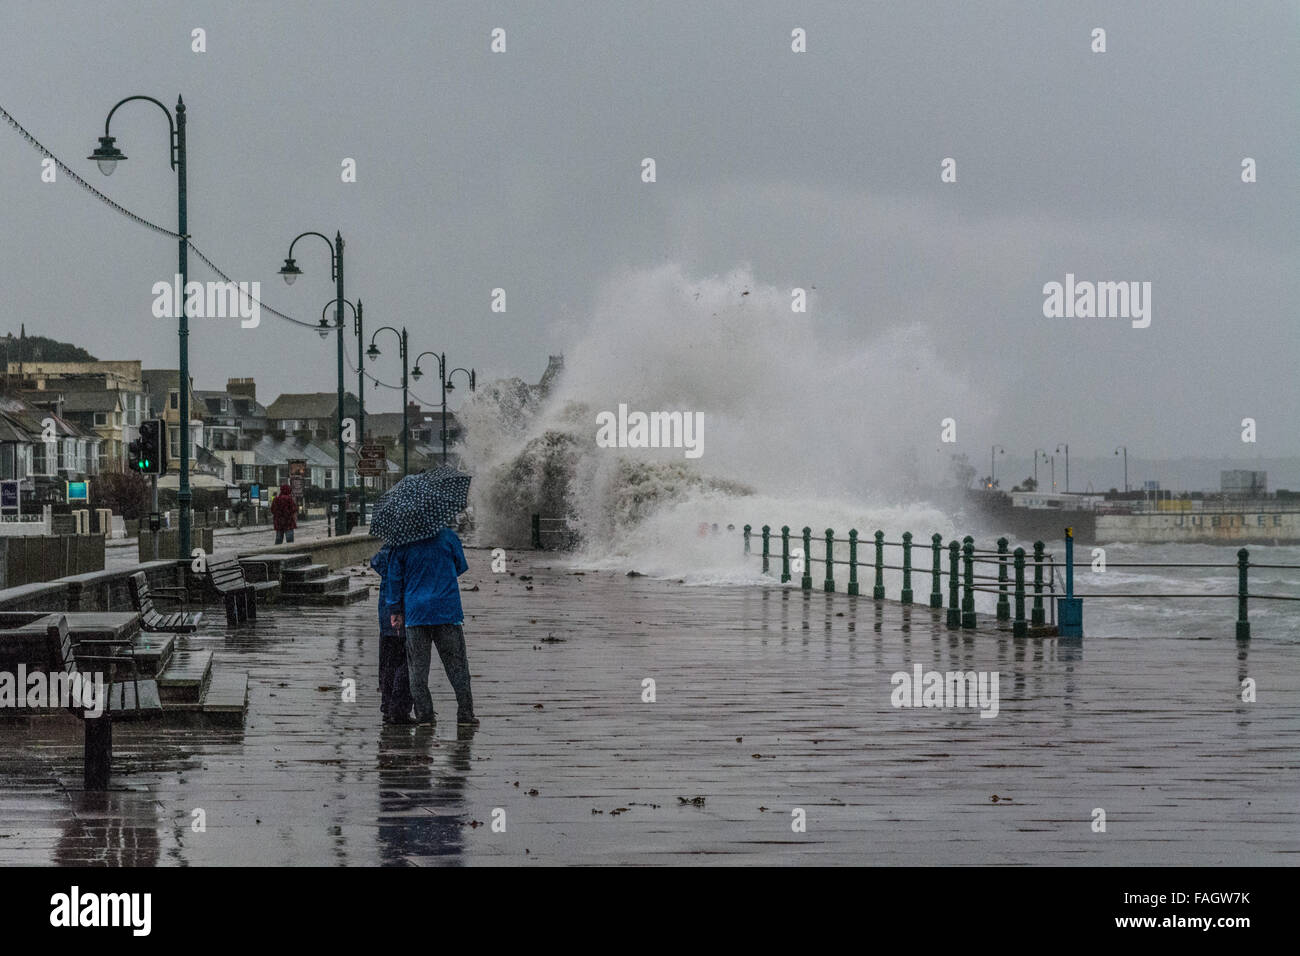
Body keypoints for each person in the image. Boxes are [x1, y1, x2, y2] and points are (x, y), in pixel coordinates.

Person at [382, 525, 477, 726]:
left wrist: (395, 610)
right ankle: (466, 715)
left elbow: (394, 579)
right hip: (447, 611)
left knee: (417, 671)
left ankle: (425, 716)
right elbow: (461, 566)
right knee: (457, 667)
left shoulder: (403, 541)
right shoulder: (448, 536)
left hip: (416, 613)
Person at [370, 545, 414, 724]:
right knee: (405, 663)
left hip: (386, 616)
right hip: (404, 615)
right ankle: (399, 709)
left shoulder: (387, 551)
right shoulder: (406, 552)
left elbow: (376, 561)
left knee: (388, 664)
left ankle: (387, 706)